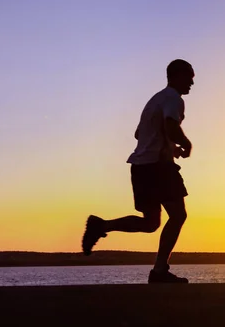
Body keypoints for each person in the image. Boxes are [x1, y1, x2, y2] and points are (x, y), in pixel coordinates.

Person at [82, 59, 194, 283]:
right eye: (189, 76)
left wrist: (170, 148)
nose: (192, 82)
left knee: (151, 222)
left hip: (141, 166)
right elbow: (171, 127)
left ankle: (101, 225)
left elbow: (139, 134)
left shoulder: (155, 100)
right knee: (178, 215)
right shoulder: (173, 98)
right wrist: (185, 144)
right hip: (158, 167)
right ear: (176, 76)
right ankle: (159, 271)